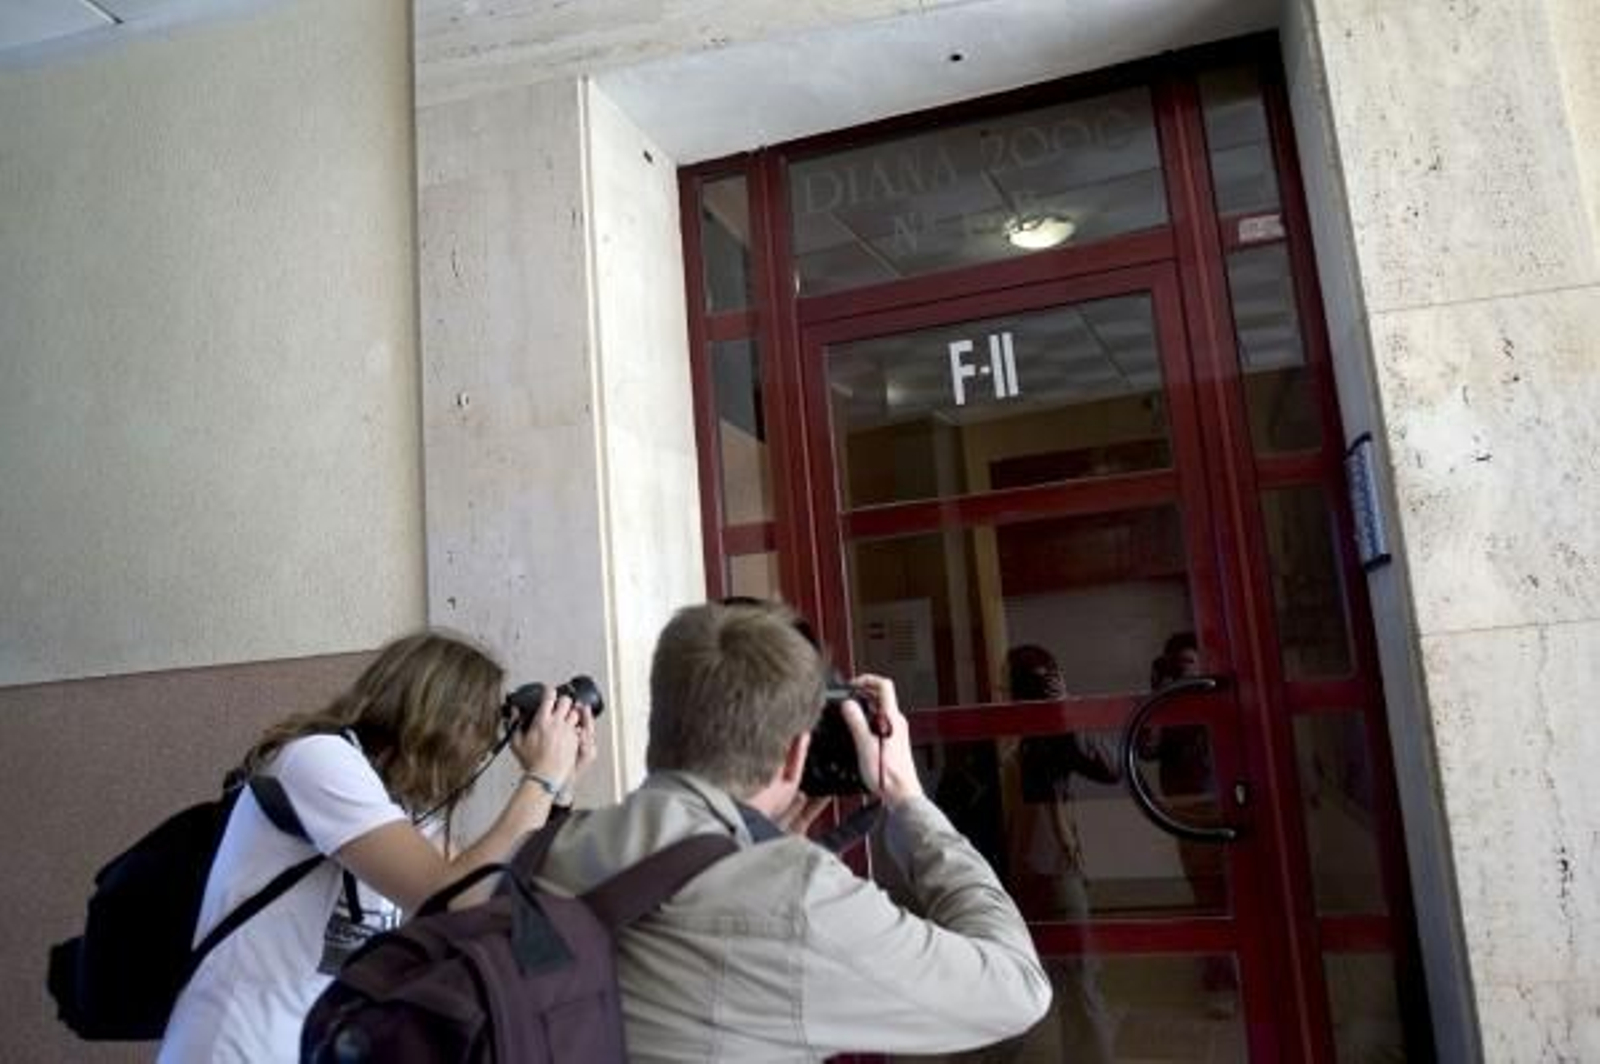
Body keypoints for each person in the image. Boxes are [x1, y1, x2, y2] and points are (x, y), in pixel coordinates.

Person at [533, 599, 1052, 1061]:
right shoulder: (800, 898)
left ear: (659, 723)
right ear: (795, 756)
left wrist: (753, 845)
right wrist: (906, 798)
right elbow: (1019, 989)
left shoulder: (551, 843)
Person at [158, 630, 597, 1063]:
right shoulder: (319, 761)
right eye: (481, 720)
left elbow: (493, 908)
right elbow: (449, 899)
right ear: (437, 710)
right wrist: (540, 778)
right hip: (236, 1045)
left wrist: (558, 796)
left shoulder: (406, 810)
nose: (485, 743)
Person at [1008, 645, 1118, 1064]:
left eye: (1042, 678)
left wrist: (1065, 709)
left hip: (1052, 871)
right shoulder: (998, 730)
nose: (1029, 688)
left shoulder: (1053, 729)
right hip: (1005, 873)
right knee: (1007, 984)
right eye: (1024, 679)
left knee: (1079, 983)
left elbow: (1110, 768)